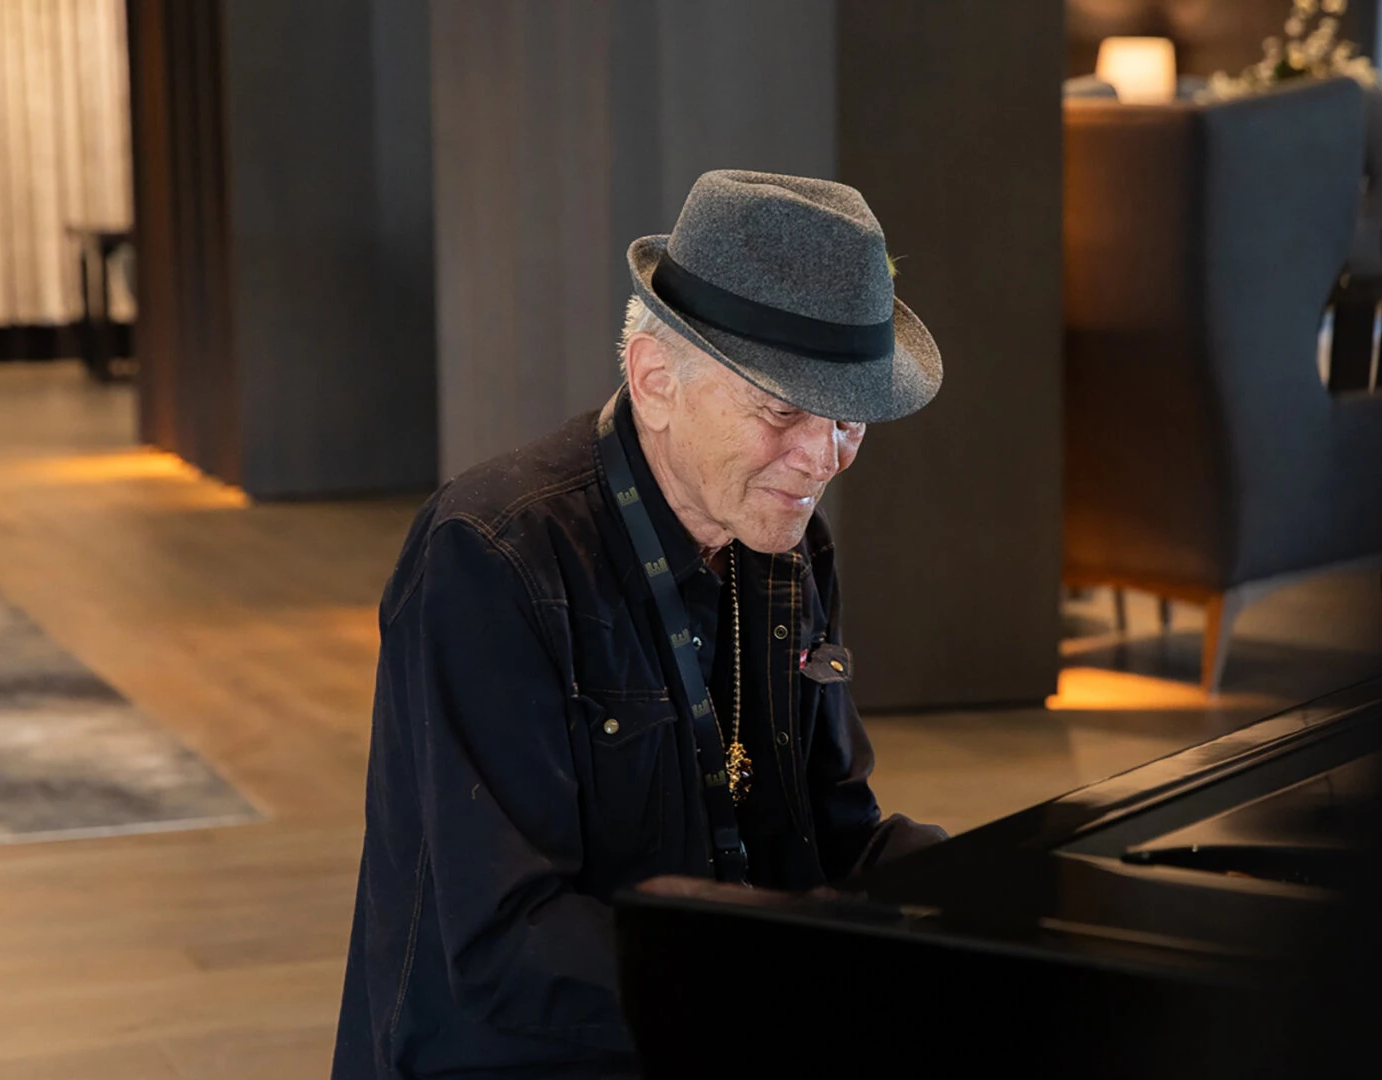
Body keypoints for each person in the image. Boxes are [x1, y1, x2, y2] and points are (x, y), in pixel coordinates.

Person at [331, 170, 947, 1078]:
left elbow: (829, 833)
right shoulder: (493, 558)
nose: (822, 460)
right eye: (782, 412)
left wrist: (1000, 889)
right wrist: (783, 985)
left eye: (849, 421)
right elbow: (508, 941)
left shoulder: (784, 545)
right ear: (656, 381)